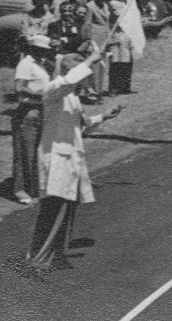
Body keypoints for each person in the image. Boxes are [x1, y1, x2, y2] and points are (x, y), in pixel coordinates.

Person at [25, 47, 122, 273]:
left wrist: (104, 117)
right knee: (52, 211)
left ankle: (55, 257)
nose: (85, 79)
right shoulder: (53, 90)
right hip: (56, 160)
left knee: (66, 210)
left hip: (71, 161)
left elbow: (81, 126)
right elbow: (66, 82)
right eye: (82, 73)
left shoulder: (72, 98)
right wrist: (89, 61)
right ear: (69, 72)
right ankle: (37, 260)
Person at [11, 35, 55, 205]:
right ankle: (20, 190)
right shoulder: (25, 64)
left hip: (41, 110)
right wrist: (39, 95)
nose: (42, 52)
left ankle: (34, 187)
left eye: (44, 50)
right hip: (28, 112)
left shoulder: (41, 64)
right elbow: (19, 87)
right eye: (38, 49)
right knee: (24, 152)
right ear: (31, 48)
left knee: (38, 151)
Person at [84, 0, 112, 99]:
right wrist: (89, 41)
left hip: (104, 39)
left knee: (102, 65)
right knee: (93, 66)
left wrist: (109, 38)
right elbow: (87, 24)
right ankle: (92, 92)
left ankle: (99, 90)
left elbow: (106, 23)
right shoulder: (90, 6)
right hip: (94, 40)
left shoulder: (105, 5)